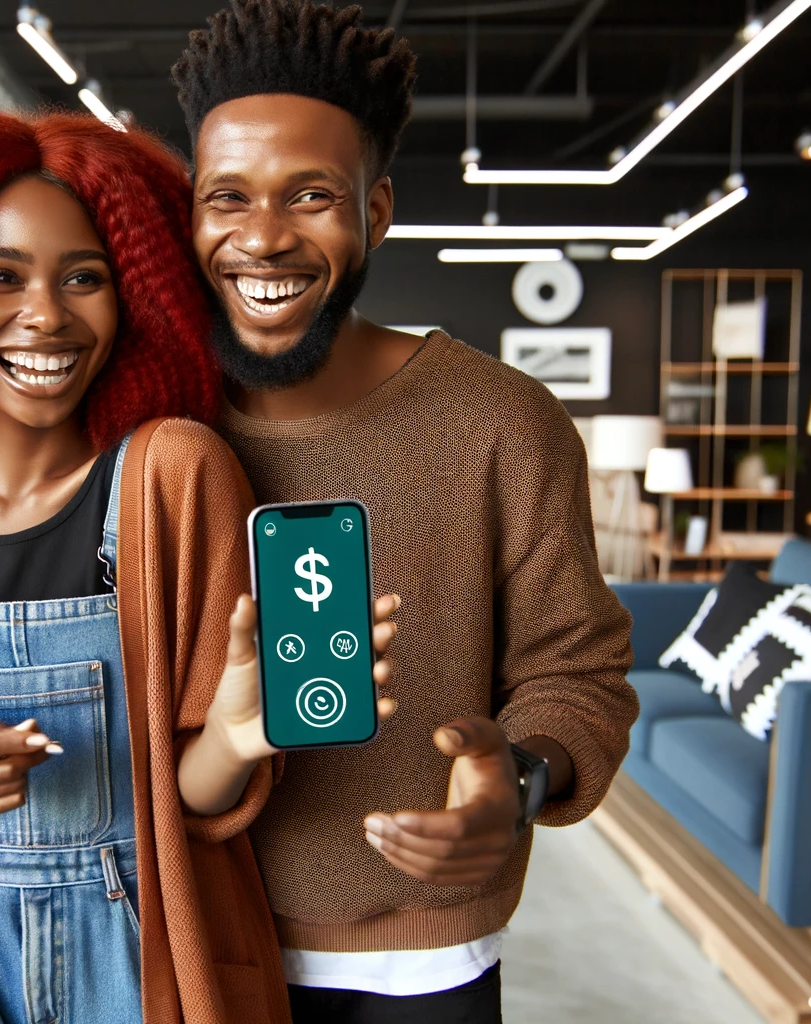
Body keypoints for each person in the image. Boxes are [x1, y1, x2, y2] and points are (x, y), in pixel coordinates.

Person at [0, 106, 394, 1024]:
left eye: (84, 278)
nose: (47, 318)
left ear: (134, 297)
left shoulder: (175, 476)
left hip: (147, 959)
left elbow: (192, 801)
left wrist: (231, 740)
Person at [172, 3, 640, 1020]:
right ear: (192, 213)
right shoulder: (154, 424)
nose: (262, 236)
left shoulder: (501, 422)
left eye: (310, 195)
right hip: (183, 929)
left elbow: (577, 671)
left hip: (417, 959)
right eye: (228, 198)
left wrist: (513, 782)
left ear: (374, 212)